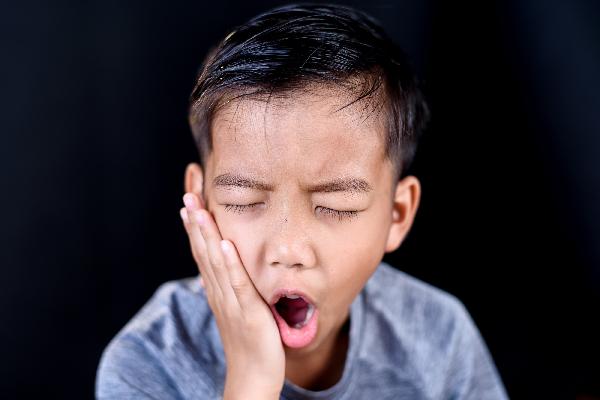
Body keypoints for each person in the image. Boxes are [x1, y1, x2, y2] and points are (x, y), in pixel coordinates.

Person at [95, 3, 508, 399]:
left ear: (397, 215)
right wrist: (251, 381)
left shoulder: (439, 336)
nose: (288, 250)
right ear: (200, 201)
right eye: (244, 199)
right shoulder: (149, 360)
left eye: (336, 205)